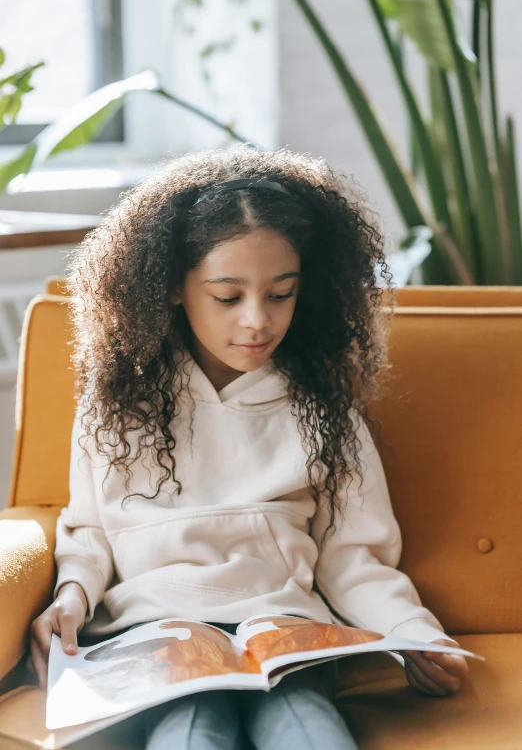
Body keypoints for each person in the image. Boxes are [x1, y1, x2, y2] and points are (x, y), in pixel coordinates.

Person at [29, 144, 468, 749]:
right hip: (160, 630)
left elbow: (353, 559)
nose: (258, 320)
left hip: (285, 631)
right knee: (190, 730)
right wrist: (71, 597)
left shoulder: (326, 412)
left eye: (281, 294)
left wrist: (416, 634)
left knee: (306, 729)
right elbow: (90, 533)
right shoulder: (116, 406)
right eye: (228, 297)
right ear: (174, 288)